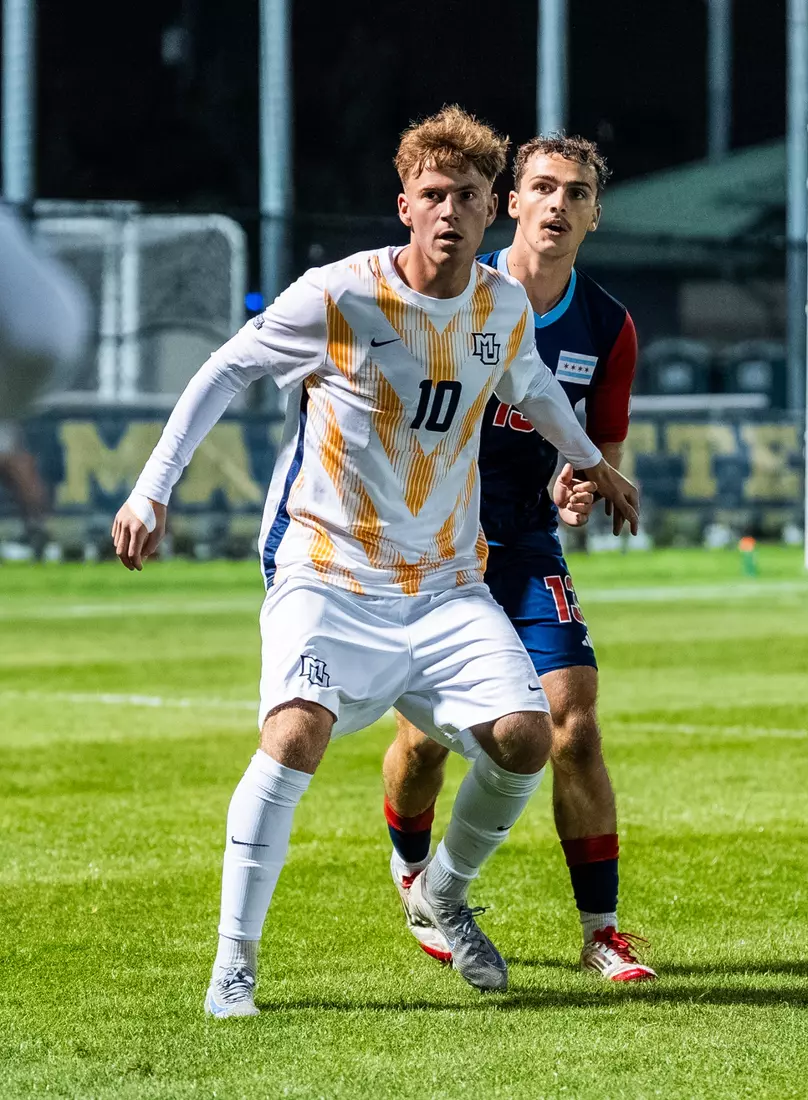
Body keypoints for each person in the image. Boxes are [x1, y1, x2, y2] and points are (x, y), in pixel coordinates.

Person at [111, 107, 639, 1017]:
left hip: (444, 583)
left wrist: (592, 464)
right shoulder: (340, 295)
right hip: (329, 568)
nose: (449, 212)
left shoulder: (500, 305)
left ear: (487, 212)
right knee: (295, 734)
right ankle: (234, 962)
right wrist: (152, 489)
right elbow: (224, 372)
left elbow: (533, 386)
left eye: (465, 197)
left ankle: (441, 891)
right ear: (405, 205)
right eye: (433, 195)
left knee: (525, 738)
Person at [382, 134, 656, 982]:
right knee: (427, 744)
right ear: (510, 202)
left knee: (572, 722)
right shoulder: (455, 292)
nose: (557, 205)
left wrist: (578, 488)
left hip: (525, 541)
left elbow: (595, 450)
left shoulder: (607, 326)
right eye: (541, 187)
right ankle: (411, 878)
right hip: (433, 543)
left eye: (576, 193)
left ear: (593, 214)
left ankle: (601, 932)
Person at [0, 206, 89, 551]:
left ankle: (42, 529)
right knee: (10, 453)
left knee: (10, 454)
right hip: (68, 316)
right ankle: (43, 531)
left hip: (22, 334)